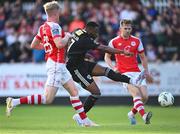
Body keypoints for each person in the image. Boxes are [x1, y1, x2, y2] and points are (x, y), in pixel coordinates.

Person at [6, 1, 96, 127]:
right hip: (55, 64)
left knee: (74, 92)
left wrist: (49, 47)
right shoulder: (55, 26)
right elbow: (60, 44)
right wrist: (67, 37)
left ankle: (85, 121)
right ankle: (14, 102)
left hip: (58, 64)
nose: (60, 15)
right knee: (48, 99)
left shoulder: (42, 27)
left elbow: (34, 45)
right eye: (59, 12)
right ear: (56, 13)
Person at [66, 21, 146, 125]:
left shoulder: (78, 32)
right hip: (75, 68)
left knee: (106, 71)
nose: (96, 34)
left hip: (81, 63)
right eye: (95, 32)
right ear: (89, 30)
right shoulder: (86, 40)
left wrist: (77, 54)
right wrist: (122, 52)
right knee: (96, 93)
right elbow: (104, 48)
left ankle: (132, 80)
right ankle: (81, 117)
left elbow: (71, 43)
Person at [104, 19, 153, 125]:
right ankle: (144, 117)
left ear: (131, 28)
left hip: (137, 72)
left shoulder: (137, 41)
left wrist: (146, 71)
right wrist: (113, 67)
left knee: (145, 97)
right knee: (136, 93)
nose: (127, 30)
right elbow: (107, 57)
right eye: (125, 28)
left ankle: (131, 113)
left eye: (129, 28)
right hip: (123, 73)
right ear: (120, 28)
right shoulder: (114, 41)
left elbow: (143, 57)